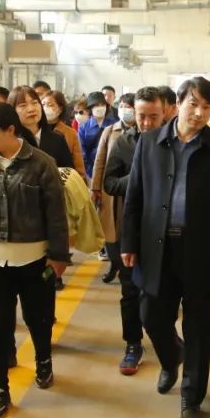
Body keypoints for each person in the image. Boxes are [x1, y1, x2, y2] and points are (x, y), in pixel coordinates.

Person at [120, 77, 210, 418]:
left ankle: (191, 398)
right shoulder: (149, 143)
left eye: (207, 107)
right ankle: (172, 358)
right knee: (151, 315)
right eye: (194, 104)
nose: (200, 113)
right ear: (178, 104)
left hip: (200, 249)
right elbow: (135, 197)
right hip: (156, 246)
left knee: (198, 324)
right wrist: (128, 243)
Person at [0, 103, 71, 418]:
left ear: (10, 130)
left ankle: (43, 361)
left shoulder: (42, 164)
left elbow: (56, 215)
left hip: (34, 260)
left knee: (39, 318)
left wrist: (59, 256)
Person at [104, 88, 165, 374]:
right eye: (142, 116)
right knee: (129, 290)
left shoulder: (172, 144)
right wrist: (138, 178)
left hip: (164, 231)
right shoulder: (123, 143)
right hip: (131, 229)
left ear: (164, 114)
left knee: (160, 293)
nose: (147, 123)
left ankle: (166, 341)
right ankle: (132, 343)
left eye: (154, 116)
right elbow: (109, 183)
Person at [91, 93, 136, 284]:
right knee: (110, 231)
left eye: (129, 106)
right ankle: (114, 263)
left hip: (132, 190)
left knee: (127, 229)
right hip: (112, 190)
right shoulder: (110, 131)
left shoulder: (144, 132)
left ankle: (127, 267)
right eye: (123, 106)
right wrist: (95, 188)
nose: (126, 110)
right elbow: (100, 160)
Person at [42, 90, 86, 181]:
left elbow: (78, 164)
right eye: (43, 104)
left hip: (62, 180)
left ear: (60, 109)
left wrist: (79, 181)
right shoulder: (37, 130)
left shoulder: (70, 133)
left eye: (50, 105)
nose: (45, 108)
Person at [78, 91, 113, 178]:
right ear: (90, 108)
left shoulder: (114, 125)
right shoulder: (83, 128)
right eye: (96, 105)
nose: (100, 108)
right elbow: (82, 153)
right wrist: (90, 173)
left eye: (102, 105)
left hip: (111, 169)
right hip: (91, 171)